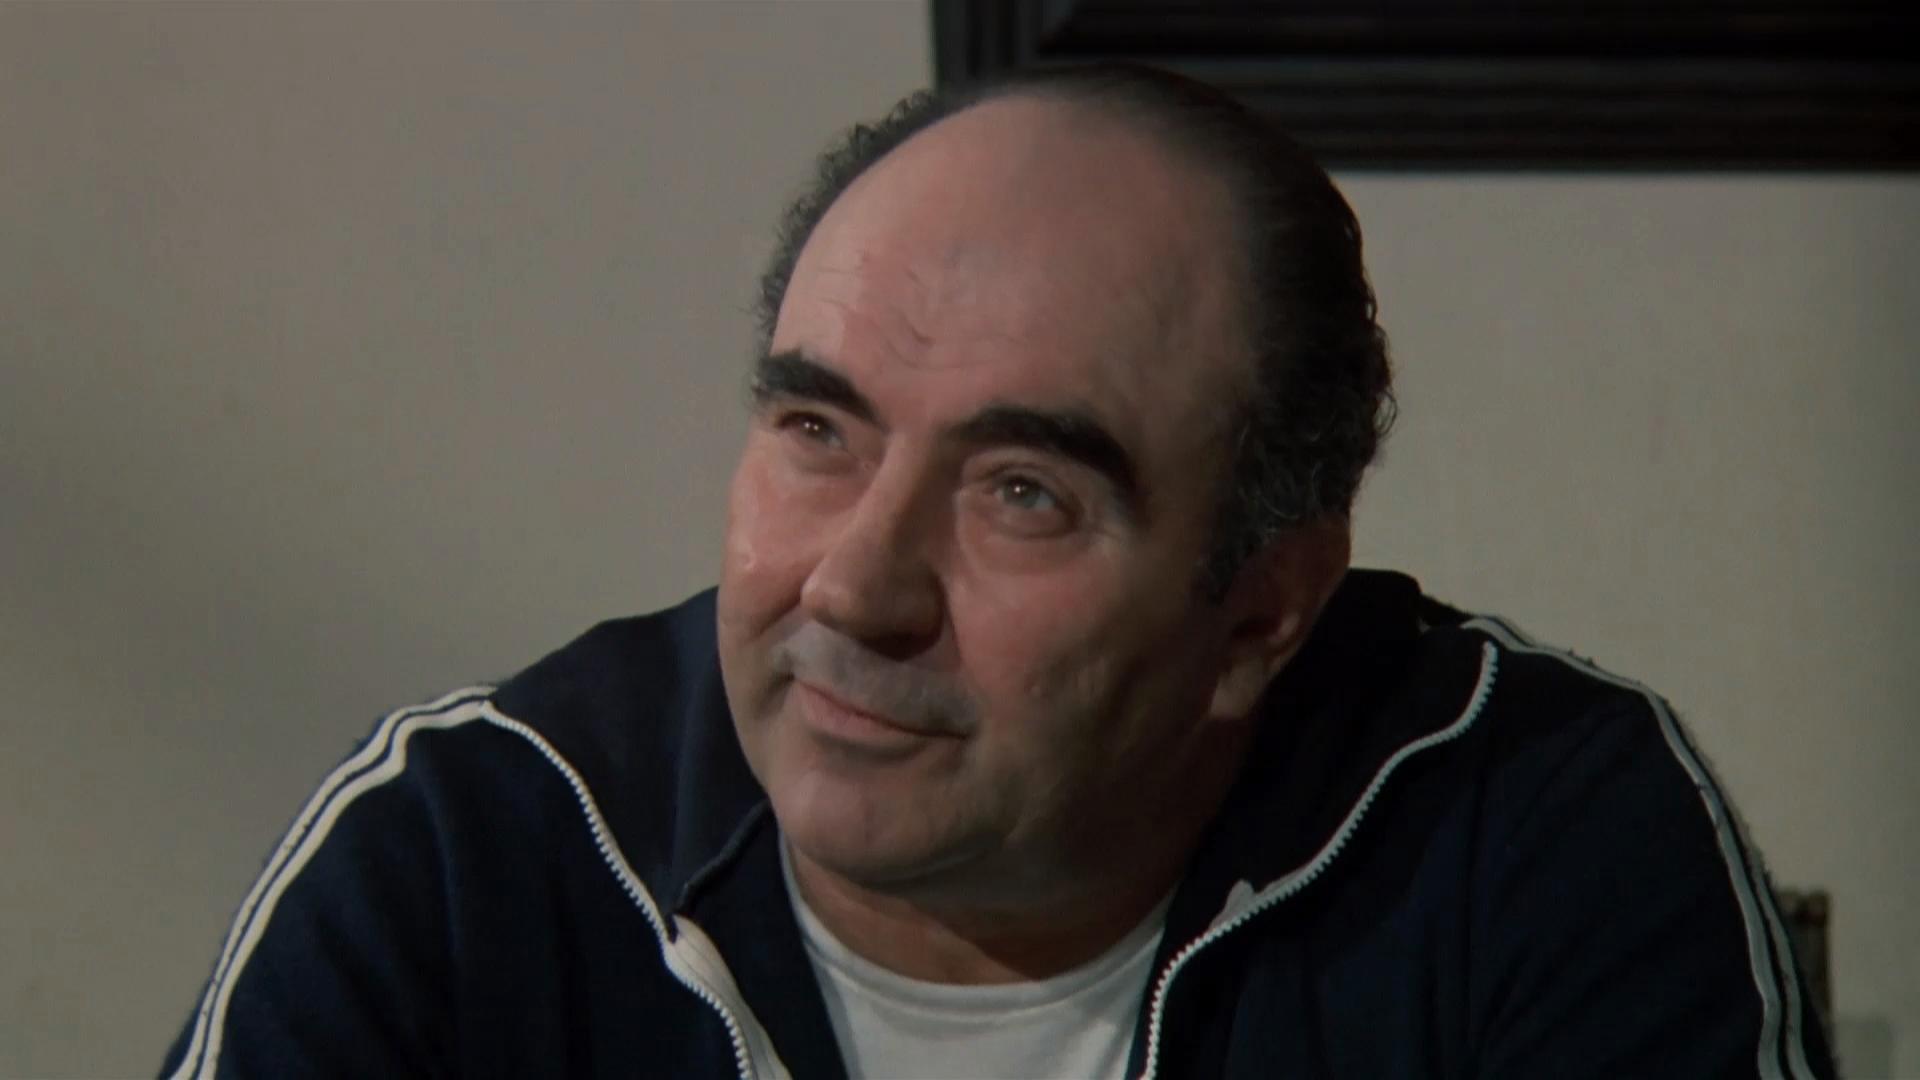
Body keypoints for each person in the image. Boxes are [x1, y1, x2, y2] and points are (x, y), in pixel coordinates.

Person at [161, 65, 1834, 1080]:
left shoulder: (1524, 838)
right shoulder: (475, 855)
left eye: (1021, 493)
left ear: (1260, 612)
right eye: (818, 431)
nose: (855, 590)